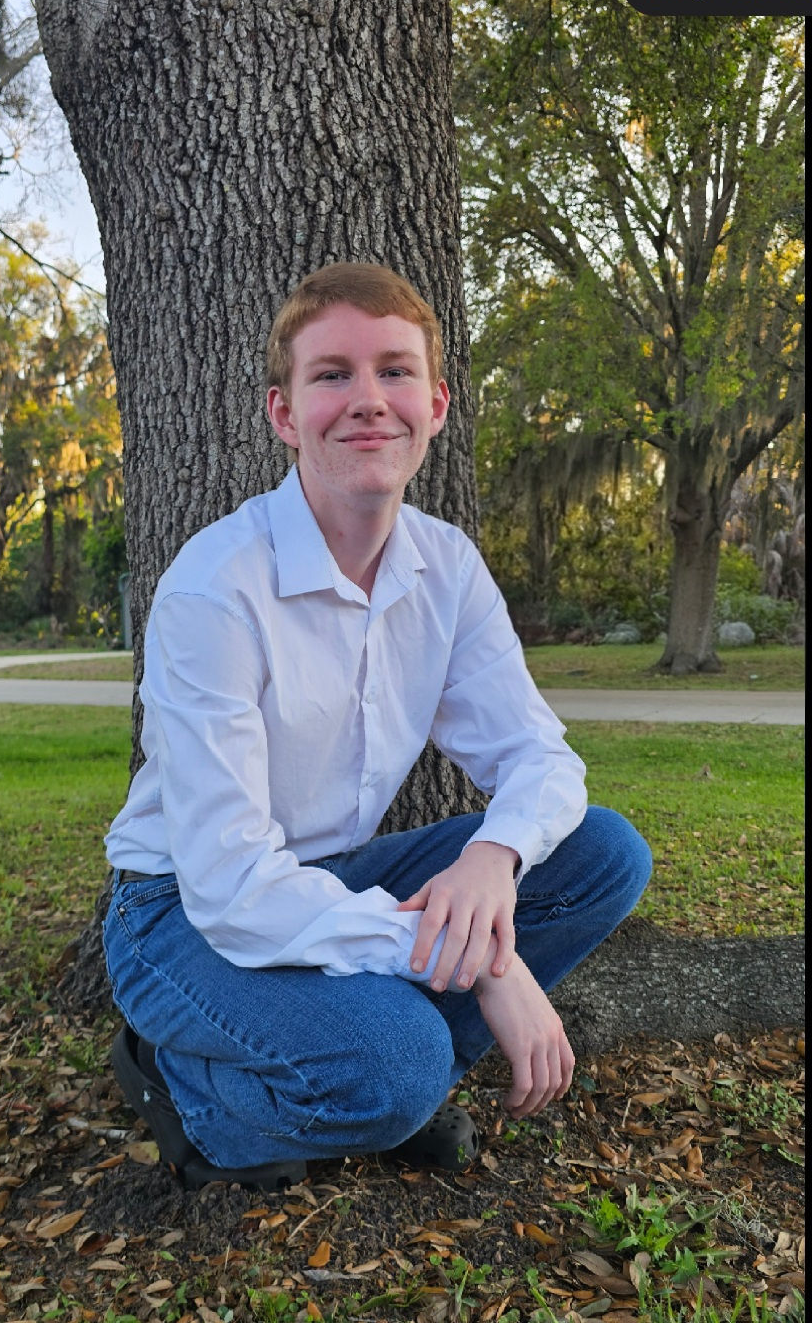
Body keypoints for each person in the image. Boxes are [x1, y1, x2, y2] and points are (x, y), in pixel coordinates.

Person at [104, 263, 651, 1191]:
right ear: (284, 414)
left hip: (330, 876)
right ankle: (187, 1086)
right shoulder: (215, 588)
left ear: (434, 406)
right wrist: (489, 964)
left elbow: (539, 757)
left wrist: (494, 861)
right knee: (395, 1066)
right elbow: (230, 885)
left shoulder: (446, 567)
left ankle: (390, 1070)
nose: (368, 399)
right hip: (179, 908)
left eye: (395, 371)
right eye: (333, 375)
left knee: (603, 854)